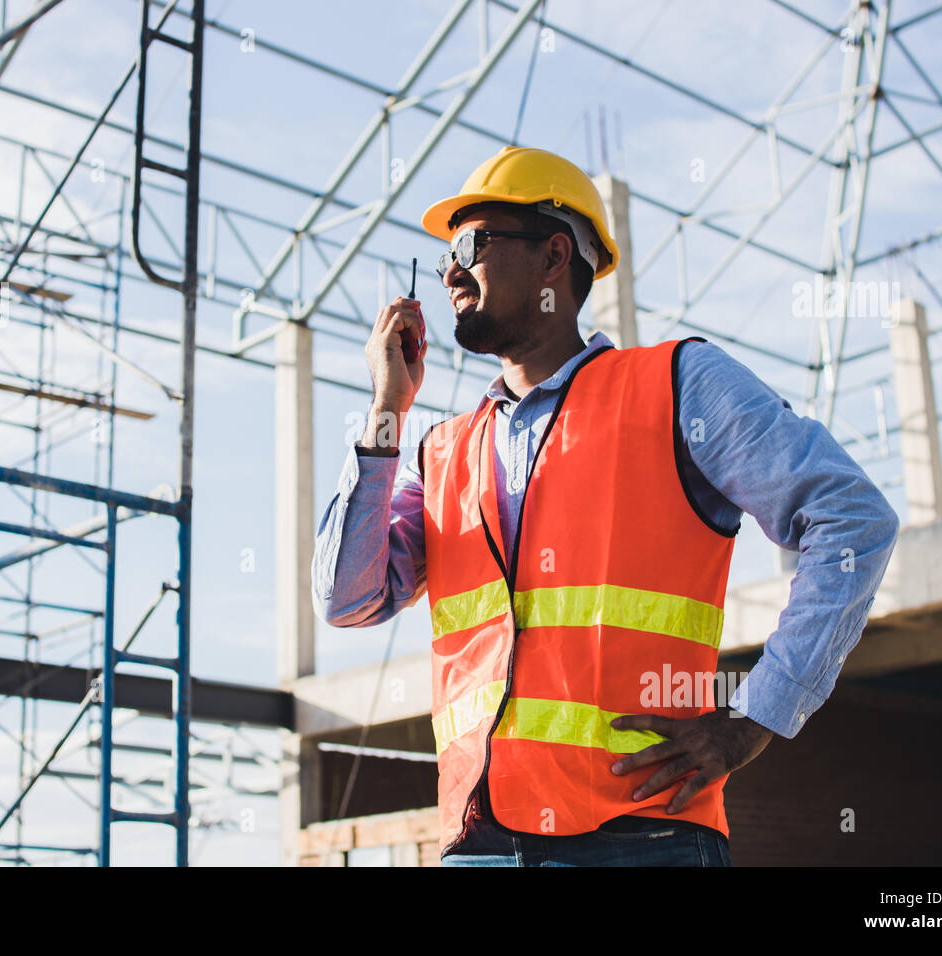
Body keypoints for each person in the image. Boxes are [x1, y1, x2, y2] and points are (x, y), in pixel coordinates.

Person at [311, 146, 899, 867]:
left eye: (471, 243)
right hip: (482, 842)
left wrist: (755, 718)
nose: (451, 271)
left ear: (554, 256)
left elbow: (853, 519)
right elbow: (348, 600)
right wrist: (386, 411)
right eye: (444, 256)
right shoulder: (440, 451)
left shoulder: (678, 386)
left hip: (643, 839)